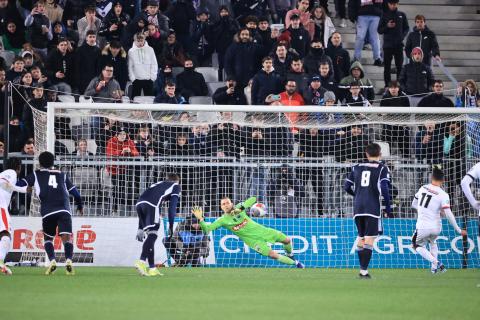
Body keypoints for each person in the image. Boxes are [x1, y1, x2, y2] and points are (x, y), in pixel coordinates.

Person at [11, 151, 83, 275]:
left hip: (48, 211)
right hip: (64, 209)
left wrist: (10, 179)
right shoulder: (62, 174)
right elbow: (75, 192)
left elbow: (20, 184)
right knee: (67, 237)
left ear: (39, 163)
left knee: (48, 238)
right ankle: (69, 261)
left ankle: (53, 261)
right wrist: (80, 205)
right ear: (53, 162)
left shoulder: (36, 174)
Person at [191, 197, 305, 268]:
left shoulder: (239, 207)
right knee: (272, 254)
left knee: (287, 240)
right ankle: (297, 264)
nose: (226, 205)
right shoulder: (222, 220)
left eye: (227, 203)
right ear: (221, 207)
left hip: (263, 231)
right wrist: (201, 219)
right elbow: (207, 229)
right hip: (253, 241)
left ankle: (290, 255)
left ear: (231, 203)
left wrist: (241, 208)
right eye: (223, 204)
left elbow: (253, 198)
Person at [344, 143, 391, 278]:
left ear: (366, 154)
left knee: (361, 237)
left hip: (358, 208)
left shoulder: (356, 167)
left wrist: (356, 195)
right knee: (369, 239)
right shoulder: (382, 168)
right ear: (380, 154)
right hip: (372, 207)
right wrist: (388, 207)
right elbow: (384, 188)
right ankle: (363, 271)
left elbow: (346, 186)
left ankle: (362, 269)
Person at [412, 168, 467, 273]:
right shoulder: (443, 195)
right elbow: (448, 214)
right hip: (436, 227)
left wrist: (424, 210)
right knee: (433, 242)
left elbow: (413, 204)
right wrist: (458, 230)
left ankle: (436, 263)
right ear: (443, 181)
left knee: (416, 245)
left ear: (431, 177)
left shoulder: (423, 188)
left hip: (423, 226)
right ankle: (433, 270)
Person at [134, 173, 181, 277]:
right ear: (177, 181)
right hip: (152, 206)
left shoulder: (158, 183)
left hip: (139, 204)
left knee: (151, 236)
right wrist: (171, 225)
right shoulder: (176, 186)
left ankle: (152, 268)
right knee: (153, 235)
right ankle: (141, 261)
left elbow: (145, 199)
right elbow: (172, 207)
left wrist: (140, 228)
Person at [377, 0, 409, 88]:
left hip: (399, 45)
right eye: (391, 4)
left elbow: (406, 28)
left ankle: (399, 84)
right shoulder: (384, 15)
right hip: (387, 45)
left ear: (397, 4)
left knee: (399, 66)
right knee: (387, 67)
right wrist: (387, 26)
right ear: (388, 4)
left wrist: (402, 36)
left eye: (394, 4)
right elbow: (379, 30)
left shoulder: (402, 15)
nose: (393, 6)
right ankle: (387, 84)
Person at [0, 158, 22, 275]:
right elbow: (3, 181)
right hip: (0, 207)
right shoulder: (11, 172)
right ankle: (0, 261)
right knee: (5, 234)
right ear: (18, 167)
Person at [348, 0, 383, 66]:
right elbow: (352, 3)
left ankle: (377, 58)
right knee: (360, 37)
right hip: (361, 15)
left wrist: (382, 13)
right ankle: (356, 58)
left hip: (376, 15)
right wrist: (352, 16)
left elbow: (384, 3)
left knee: (375, 37)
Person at [128, 32, 158, 98]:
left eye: (142, 41)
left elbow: (154, 64)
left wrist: (153, 78)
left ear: (144, 40)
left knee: (149, 100)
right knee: (134, 100)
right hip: (136, 80)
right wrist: (133, 78)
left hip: (148, 79)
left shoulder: (150, 49)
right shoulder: (131, 51)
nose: (140, 43)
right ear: (134, 41)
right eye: (138, 41)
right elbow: (130, 66)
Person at [75, 30, 101, 95]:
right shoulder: (80, 50)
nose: (92, 39)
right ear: (86, 38)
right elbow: (77, 66)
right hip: (82, 80)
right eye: (90, 37)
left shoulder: (98, 50)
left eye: (93, 37)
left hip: (94, 79)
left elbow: (98, 67)